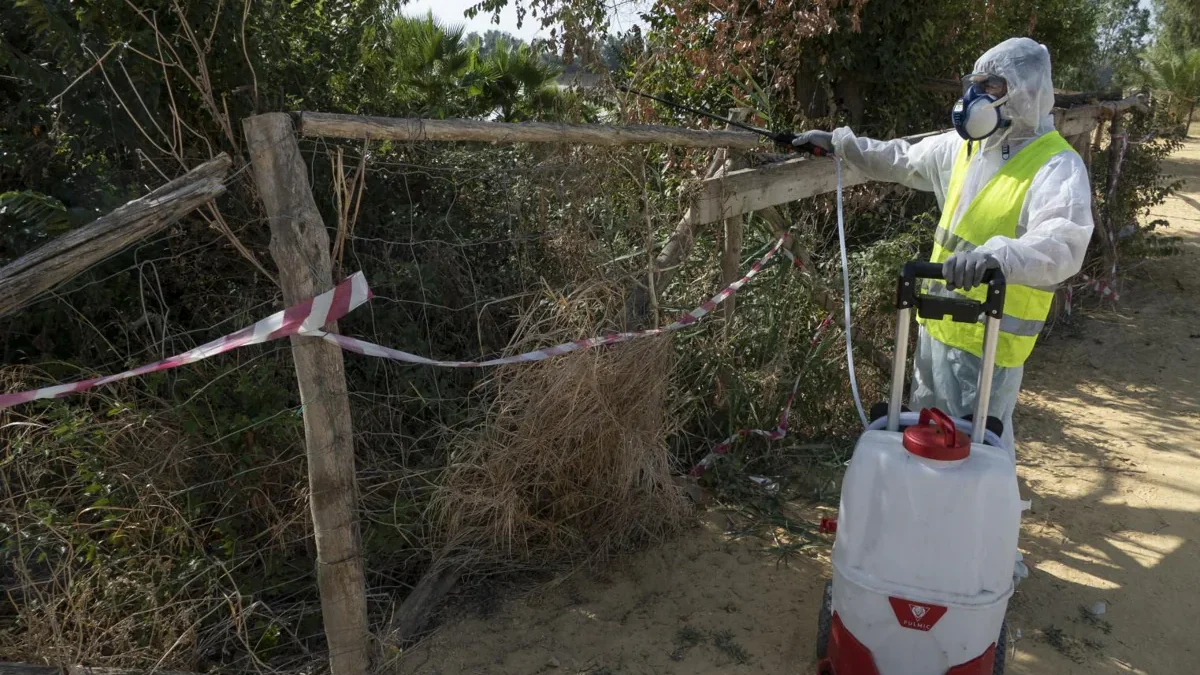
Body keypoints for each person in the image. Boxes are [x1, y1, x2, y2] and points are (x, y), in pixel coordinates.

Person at [794, 37, 1093, 461]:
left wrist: (996, 257)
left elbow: (1063, 241)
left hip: (989, 343)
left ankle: (977, 526)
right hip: (936, 331)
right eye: (976, 85)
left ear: (1026, 90)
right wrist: (840, 143)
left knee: (975, 456)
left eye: (991, 86)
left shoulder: (1056, 165)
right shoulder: (966, 149)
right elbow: (901, 158)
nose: (975, 97)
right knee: (924, 444)